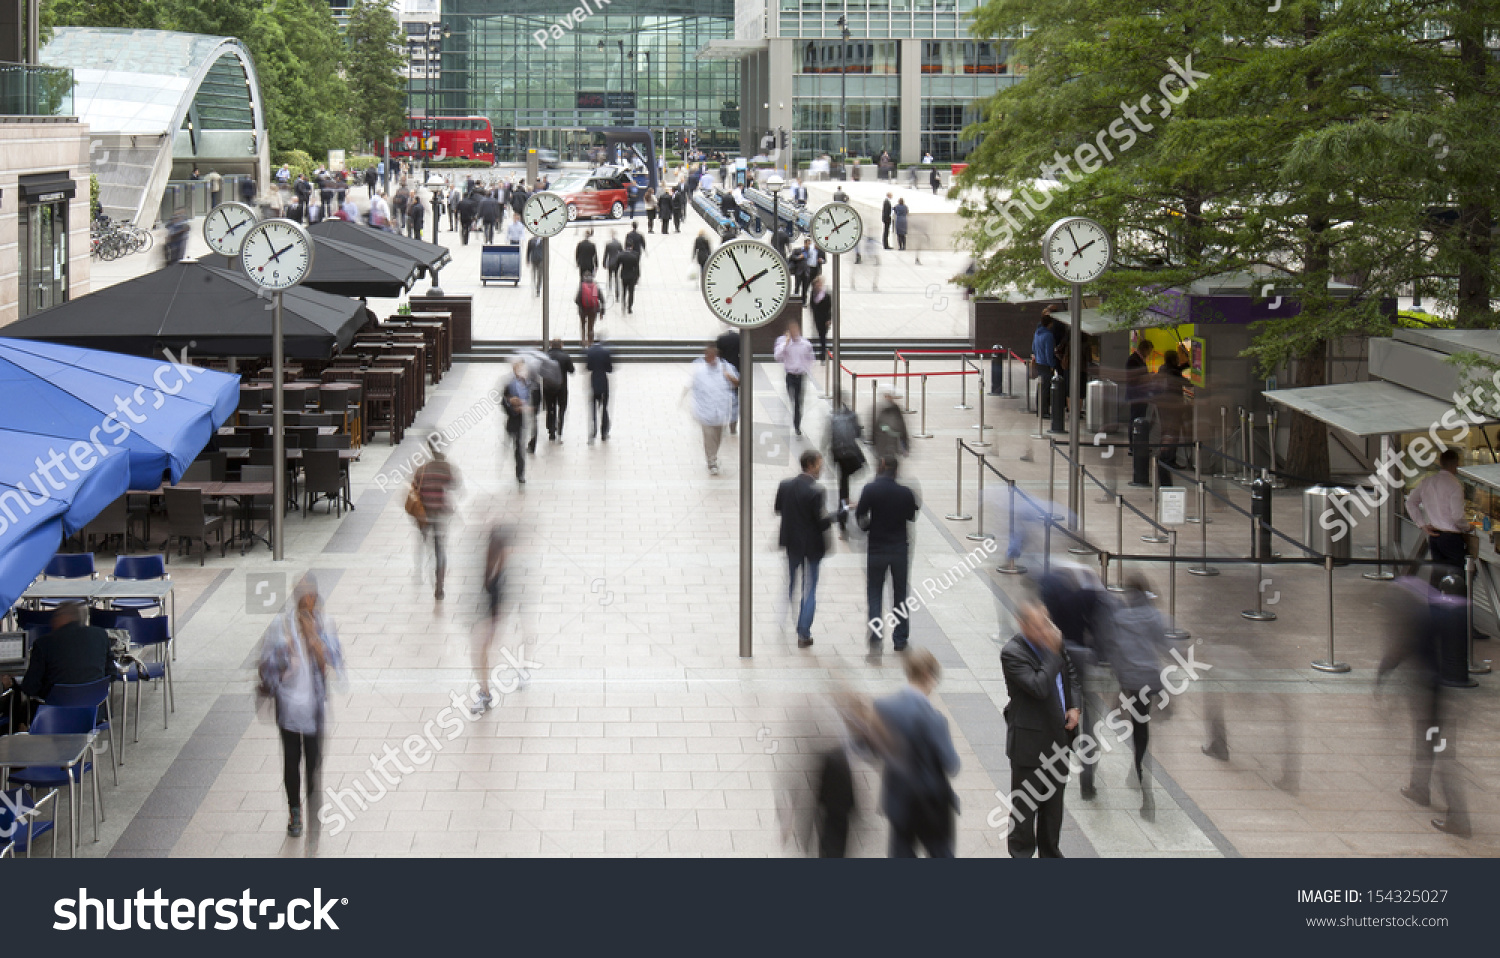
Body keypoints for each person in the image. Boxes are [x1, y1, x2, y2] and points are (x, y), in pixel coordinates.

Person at [257, 575, 343, 841]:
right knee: (292, 762)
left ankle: (313, 808)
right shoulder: (280, 627)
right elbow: (265, 667)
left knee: (314, 763)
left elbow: (336, 660)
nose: (307, 601)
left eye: (311, 596)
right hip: (289, 711)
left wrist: (314, 641)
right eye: (301, 596)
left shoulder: (325, 624)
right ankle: (295, 810)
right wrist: (288, 650)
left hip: (314, 710)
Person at [1001, 602, 1082, 859]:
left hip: (1058, 740)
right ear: (1023, 626)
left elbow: (1071, 674)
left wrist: (1074, 706)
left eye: (1046, 623)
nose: (1045, 629)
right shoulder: (1013, 653)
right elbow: (1038, 686)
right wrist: (1052, 653)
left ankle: (1050, 854)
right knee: (1024, 811)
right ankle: (1021, 855)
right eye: (1038, 625)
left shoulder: (1053, 643)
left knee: (1053, 811)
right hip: (1029, 745)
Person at [1098, 576, 1173, 821]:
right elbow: (1166, 647)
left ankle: (1142, 777)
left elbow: (1115, 651)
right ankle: (1138, 770)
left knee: (1138, 728)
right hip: (1151, 678)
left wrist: (1117, 684)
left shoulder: (1120, 618)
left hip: (1131, 680)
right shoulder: (1155, 617)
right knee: (1144, 728)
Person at [873, 649, 959, 857]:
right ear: (928, 675)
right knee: (940, 852)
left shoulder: (883, 707)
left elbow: (873, 748)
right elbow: (952, 764)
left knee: (901, 852)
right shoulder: (934, 718)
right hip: (931, 804)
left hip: (898, 798)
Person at [857, 456, 919, 656]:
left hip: (876, 548)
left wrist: (869, 527)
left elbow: (860, 516)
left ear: (881, 467)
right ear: (896, 471)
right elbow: (911, 516)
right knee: (900, 595)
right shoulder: (905, 492)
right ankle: (900, 639)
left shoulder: (870, 489)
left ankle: (876, 641)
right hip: (899, 548)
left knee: (875, 594)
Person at [5, 602, 113, 715]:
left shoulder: (44, 643)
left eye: (55, 616)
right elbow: (111, 674)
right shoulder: (101, 635)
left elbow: (30, 687)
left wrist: (13, 682)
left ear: (63, 617)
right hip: (95, 712)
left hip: (52, 716)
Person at [775, 450, 834, 647]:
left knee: (791, 582)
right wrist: (837, 515)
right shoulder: (817, 491)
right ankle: (803, 632)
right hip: (812, 546)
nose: (821, 468)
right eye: (819, 464)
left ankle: (784, 618)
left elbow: (779, 509)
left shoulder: (785, 485)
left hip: (792, 543)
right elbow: (821, 523)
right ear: (810, 465)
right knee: (809, 589)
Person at [1407, 449, 1468, 587]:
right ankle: (1454, 607)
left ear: (1440, 463)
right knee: (1456, 578)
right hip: (1451, 538)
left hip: (1435, 535)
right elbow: (1458, 516)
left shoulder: (1428, 481)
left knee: (1437, 575)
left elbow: (1410, 502)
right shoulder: (1455, 485)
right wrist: (1468, 527)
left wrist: (1422, 524)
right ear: (1456, 464)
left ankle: (1435, 607)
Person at [470, 524, 512, 714]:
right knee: (480, 655)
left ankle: (485, 694)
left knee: (480, 655)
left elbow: (498, 602)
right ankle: (485, 693)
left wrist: (492, 625)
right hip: (487, 619)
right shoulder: (493, 566)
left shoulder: (498, 572)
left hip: (490, 621)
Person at [689, 343, 739, 475]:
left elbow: (736, 383)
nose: (709, 358)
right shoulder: (700, 371)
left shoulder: (725, 367)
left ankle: (713, 455)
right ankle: (711, 461)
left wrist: (729, 376)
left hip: (720, 411)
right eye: (707, 356)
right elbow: (694, 389)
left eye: (711, 356)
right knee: (709, 437)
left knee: (717, 437)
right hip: (705, 411)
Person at [828, 402, 866, 537]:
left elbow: (830, 438)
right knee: (846, 484)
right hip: (850, 456)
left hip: (840, 456)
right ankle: (846, 505)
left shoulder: (834, 418)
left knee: (843, 486)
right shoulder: (852, 416)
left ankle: (842, 516)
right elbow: (858, 434)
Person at [774, 319, 815, 437]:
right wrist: (785, 344)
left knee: (798, 401)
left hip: (800, 375)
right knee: (792, 397)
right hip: (790, 375)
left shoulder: (805, 344)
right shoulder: (783, 343)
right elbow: (777, 356)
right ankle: (794, 414)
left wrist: (807, 370)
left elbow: (810, 358)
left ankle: (797, 424)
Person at [502, 359, 531, 484]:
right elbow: (503, 400)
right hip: (513, 419)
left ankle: (520, 473)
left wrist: (525, 407)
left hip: (521, 420)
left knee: (519, 447)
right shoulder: (509, 384)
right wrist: (511, 405)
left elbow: (533, 398)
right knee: (514, 445)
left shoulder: (527, 382)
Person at [542, 338, 575, 443]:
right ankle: (560, 430)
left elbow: (541, 371)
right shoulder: (565, 356)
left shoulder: (545, 356)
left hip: (548, 387)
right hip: (562, 387)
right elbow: (571, 370)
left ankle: (551, 431)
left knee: (550, 408)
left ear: (551, 345)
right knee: (561, 409)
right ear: (561, 345)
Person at [586, 330, 613, 444]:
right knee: (604, 408)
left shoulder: (590, 351)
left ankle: (593, 433)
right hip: (604, 382)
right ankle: (604, 432)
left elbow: (588, 367)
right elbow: (610, 369)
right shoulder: (606, 352)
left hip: (594, 382)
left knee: (593, 409)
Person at [873, 386, 910, 463]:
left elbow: (902, 428)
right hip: (885, 447)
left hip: (890, 447)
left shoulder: (893, 408)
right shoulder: (881, 409)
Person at [1125, 336, 1152, 425]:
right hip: (1136, 395)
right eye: (1149, 351)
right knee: (1135, 418)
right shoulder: (1133, 360)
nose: (1149, 354)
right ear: (1144, 349)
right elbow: (1132, 378)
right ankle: (1134, 438)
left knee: (1140, 419)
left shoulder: (1139, 359)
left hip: (1140, 395)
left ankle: (1138, 437)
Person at [806, 275, 832, 363]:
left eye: (819, 283)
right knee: (819, 335)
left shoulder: (826, 295)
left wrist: (829, 319)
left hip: (825, 319)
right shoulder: (814, 294)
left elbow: (829, 308)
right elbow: (812, 305)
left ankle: (823, 356)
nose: (818, 285)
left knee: (823, 336)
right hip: (817, 317)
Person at [575, 271, 605, 347]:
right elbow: (602, 299)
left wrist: (581, 306)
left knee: (583, 325)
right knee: (590, 327)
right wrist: (602, 312)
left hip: (583, 310)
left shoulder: (582, 286)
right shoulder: (595, 286)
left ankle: (583, 340)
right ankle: (590, 342)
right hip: (593, 310)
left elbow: (576, 299)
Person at [617, 244, 642, 315]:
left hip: (624, 275)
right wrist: (637, 276)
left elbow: (617, 265)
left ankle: (623, 304)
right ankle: (629, 307)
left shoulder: (621, 255)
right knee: (631, 292)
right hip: (632, 276)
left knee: (624, 291)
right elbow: (637, 267)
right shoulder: (635, 255)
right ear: (632, 247)